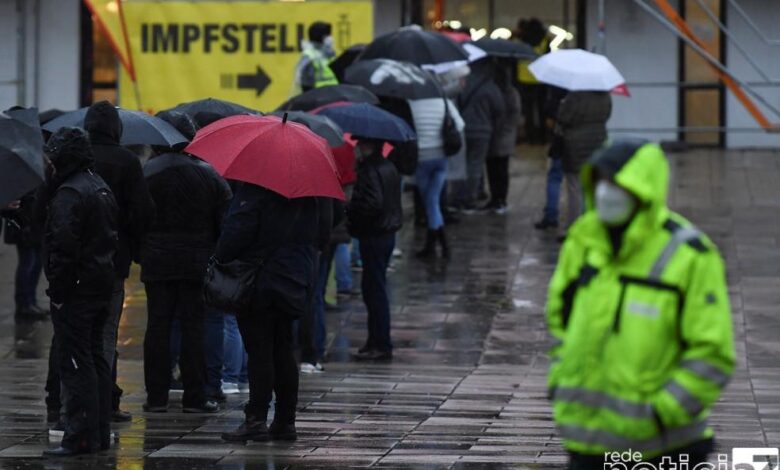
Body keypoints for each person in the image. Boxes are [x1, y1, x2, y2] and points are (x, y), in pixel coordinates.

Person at [546, 139, 734, 469]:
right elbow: (560, 321)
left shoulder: (689, 255)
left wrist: (661, 414)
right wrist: (561, 385)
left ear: (643, 188)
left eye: (618, 183)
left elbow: (712, 354)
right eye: (601, 181)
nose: (606, 193)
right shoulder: (582, 241)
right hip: (586, 444)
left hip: (664, 449)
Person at [219, 184, 328, 443]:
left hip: (260, 280)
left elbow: (234, 236)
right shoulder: (310, 194)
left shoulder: (253, 192)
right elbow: (322, 234)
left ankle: (256, 419)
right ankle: (285, 421)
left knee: (259, 350)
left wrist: (221, 255)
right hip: (295, 278)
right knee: (283, 347)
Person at [139, 114, 230, 414]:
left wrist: (143, 251)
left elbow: (133, 218)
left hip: (156, 261)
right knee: (194, 327)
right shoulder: (209, 174)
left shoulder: (147, 172)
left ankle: (156, 396)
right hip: (196, 261)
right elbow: (224, 222)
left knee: (158, 327)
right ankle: (194, 396)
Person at [41, 127, 118, 456]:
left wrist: (57, 290)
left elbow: (63, 246)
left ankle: (80, 435)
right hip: (100, 283)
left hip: (77, 290)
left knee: (75, 363)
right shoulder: (99, 186)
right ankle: (98, 433)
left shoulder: (70, 193)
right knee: (96, 359)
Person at [84, 100, 155, 422]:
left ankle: (63, 401)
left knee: (72, 333)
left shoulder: (77, 158)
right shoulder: (127, 161)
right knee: (106, 332)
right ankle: (106, 400)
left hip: (74, 260)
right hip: (113, 259)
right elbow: (141, 211)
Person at [348, 138, 402, 361]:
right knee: (373, 288)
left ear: (369, 147)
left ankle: (380, 343)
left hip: (374, 234)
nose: (357, 148)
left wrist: (352, 209)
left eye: (360, 144)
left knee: (375, 290)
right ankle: (375, 340)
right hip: (385, 234)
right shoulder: (388, 166)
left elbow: (373, 203)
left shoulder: (371, 170)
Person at [408, 95, 464, 258]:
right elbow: (460, 124)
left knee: (430, 201)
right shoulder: (444, 101)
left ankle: (437, 246)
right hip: (441, 158)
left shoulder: (412, 103)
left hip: (422, 158)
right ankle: (440, 245)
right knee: (433, 201)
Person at [454, 58, 504, 212]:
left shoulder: (465, 83)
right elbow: (499, 108)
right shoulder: (490, 86)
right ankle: (469, 199)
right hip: (482, 131)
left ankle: (458, 197)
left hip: (463, 128)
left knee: (462, 165)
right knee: (475, 165)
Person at [556, 90, 612, 229]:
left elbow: (563, 118)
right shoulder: (605, 96)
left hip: (575, 144)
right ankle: (593, 222)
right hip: (598, 143)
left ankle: (574, 227)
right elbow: (607, 116)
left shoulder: (574, 97)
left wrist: (562, 105)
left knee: (574, 188)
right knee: (593, 186)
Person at [483, 59, 522, 214]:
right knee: (501, 168)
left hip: (497, 134)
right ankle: (499, 198)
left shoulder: (495, 91)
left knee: (495, 168)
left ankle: (497, 198)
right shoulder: (512, 93)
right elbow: (516, 114)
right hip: (505, 135)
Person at [1, 189, 47, 317]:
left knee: (36, 263)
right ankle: (24, 304)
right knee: (28, 263)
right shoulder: (19, 180)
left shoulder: (37, 176)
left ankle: (31, 301)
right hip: (23, 225)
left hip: (36, 224)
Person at [535, 86, 568, 230]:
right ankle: (581, 216)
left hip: (561, 144)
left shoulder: (556, 94)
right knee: (577, 184)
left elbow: (550, 122)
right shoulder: (589, 94)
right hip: (584, 146)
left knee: (554, 178)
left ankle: (551, 216)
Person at [516, 18, 550, 145]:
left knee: (528, 111)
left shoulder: (521, 41)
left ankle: (531, 138)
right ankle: (543, 137)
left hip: (524, 79)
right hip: (540, 78)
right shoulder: (545, 41)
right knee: (541, 109)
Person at [294, 21, 338, 93]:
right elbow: (305, 83)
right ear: (320, 37)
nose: (330, 38)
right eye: (327, 35)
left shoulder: (330, 53)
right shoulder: (309, 56)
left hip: (334, 95)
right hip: (318, 97)